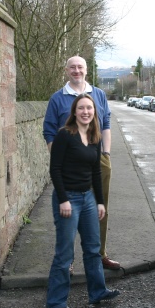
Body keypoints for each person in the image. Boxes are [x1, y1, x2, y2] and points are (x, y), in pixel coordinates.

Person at [43, 56, 121, 271]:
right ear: (67, 70)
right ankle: (66, 261)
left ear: (87, 70)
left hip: (99, 160)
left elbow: (105, 124)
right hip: (70, 167)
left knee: (101, 207)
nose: (76, 71)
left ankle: (100, 254)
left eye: (80, 67)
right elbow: (49, 130)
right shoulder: (57, 99)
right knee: (68, 212)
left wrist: (106, 153)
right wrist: (60, 156)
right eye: (72, 67)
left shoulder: (99, 95)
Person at [46, 93, 121, 308]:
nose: (86, 112)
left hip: (88, 198)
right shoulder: (64, 136)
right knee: (65, 253)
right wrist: (63, 200)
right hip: (68, 199)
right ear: (74, 112)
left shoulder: (94, 136)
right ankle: (56, 303)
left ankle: (98, 291)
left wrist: (99, 201)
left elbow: (96, 172)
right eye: (81, 108)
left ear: (94, 112)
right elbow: (55, 169)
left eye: (89, 108)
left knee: (92, 248)